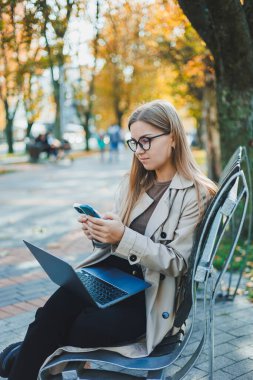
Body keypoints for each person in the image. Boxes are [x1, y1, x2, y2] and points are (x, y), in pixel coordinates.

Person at [0, 100, 217, 380]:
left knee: (63, 326)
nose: (139, 151)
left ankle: (15, 358)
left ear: (173, 137)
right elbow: (118, 246)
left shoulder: (195, 193)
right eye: (135, 143)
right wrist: (101, 235)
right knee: (51, 314)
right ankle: (21, 360)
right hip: (114, 278)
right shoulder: (133, 183)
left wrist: (123, 236)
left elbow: (177, 264)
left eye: (147, 141)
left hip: (150, 299)